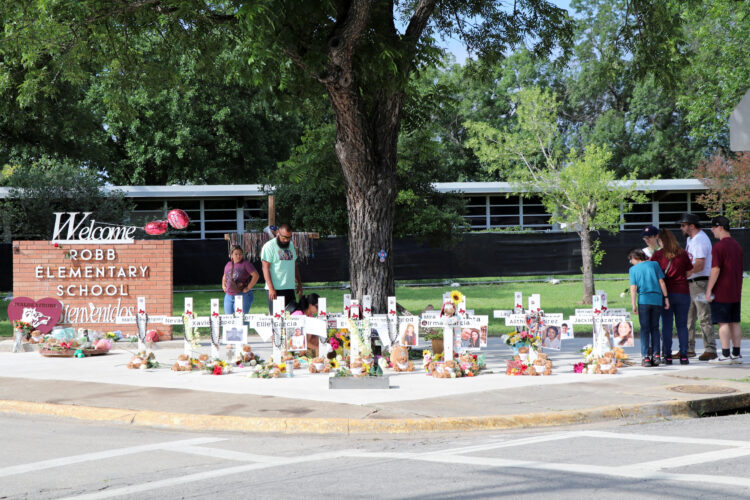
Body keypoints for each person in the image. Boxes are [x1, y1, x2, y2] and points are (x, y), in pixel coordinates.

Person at [650, 228, 693, 364]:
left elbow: (651, 270)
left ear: (661, 241)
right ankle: (684, 355)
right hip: (683, 292)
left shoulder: (658, 255)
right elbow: (689, 271)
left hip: (666, 294)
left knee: (667, 325)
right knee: (682, 325)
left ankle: (667, 355)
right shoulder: (683, 253)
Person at [678, 213, 717, 360]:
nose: (681, 228)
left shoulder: (700, 239)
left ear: (691, 226)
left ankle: (710, 349)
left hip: (700, 282)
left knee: (704, 316)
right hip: (692, 282)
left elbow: (700, 264)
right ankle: (688, 348)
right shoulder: (691, 239)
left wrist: (686, 273)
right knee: (688, 318)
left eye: (683, 225)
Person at [706, 216, 744, 365]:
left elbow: (715, 269)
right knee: (734, 321)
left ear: (719, 227)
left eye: (713, 228)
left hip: (722, 289)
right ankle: (736, 353)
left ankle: (725, 354)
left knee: (723, 322)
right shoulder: (737, 245)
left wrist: (709, 290)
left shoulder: (719, 247)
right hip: (735, 289)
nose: (712, 231)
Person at [629, 248, 669, 367]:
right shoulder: (654, 264)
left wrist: (633, 304)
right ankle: (656, 355)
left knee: (645, 329)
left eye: (631, 259)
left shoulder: (633, 269)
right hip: (657, 300)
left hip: (644, 300)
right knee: (655, 328)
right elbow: (661, 282)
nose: (631, 262)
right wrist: (666, 298)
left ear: (636, 258)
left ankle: (646, 356)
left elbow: (633, 287)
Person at [261, 223, 303, 314]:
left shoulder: (291, 245)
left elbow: (294, 265)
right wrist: (271, 288)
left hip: (289, 288)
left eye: (289, 237)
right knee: (277, 320)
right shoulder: (269, 246)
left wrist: (299, 283)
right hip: (275, 289)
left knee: (291, 319)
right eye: (284, 237)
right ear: (278, 233)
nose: (286, 240)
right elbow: (265, 268)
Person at [222, 245, 260, 316]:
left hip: (242, 294)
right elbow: (224, 276)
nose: (238, 256)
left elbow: (256, 275)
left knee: (241, 320)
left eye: (240, 254)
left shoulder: (246, 264)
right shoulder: (228, 264)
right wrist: (223, 286)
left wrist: (248, 287)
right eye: (236, 254)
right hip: (229, 295)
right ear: (231, 255)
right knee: (228, 319)